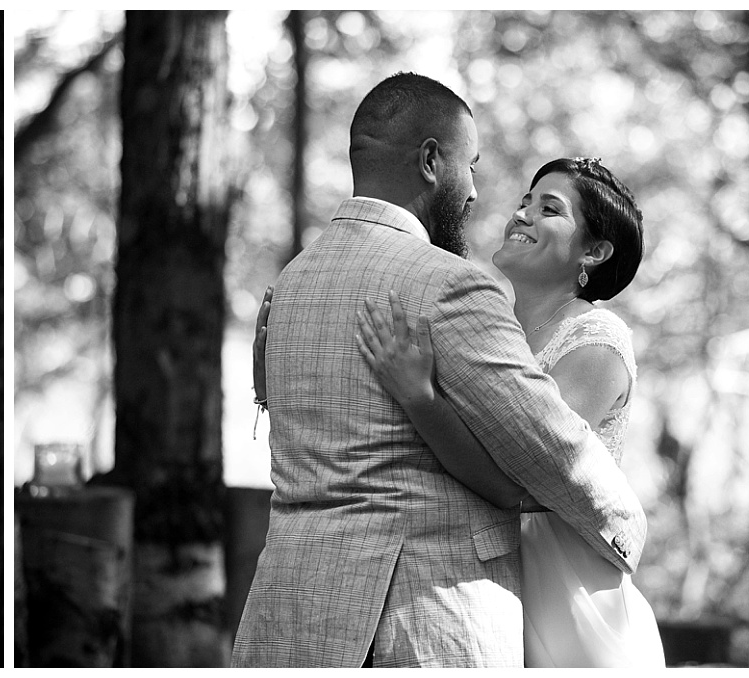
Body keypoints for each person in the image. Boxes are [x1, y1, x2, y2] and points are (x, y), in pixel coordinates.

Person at [231, 72, 646, 668]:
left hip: (292, 610)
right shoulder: (449, 286)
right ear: (431, 161)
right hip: (419, 618)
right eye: (470, 165)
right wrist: (627, 527)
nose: (480, 193)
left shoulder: (292, 281)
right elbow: (542, 461)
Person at [359, 157, 664, 667]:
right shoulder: (489, 329)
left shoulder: (598, 340)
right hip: (475, 577)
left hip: (565, 591)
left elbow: (521, 477)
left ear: (594, 250)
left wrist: (421, 397)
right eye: (525, 201)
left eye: (549, 208)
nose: (521, 214)